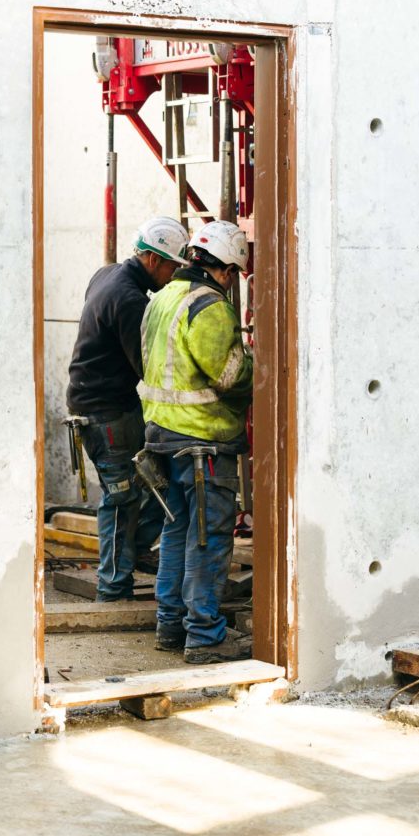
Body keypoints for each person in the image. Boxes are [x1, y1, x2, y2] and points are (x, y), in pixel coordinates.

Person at [140, 220, 254, 663]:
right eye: (234, 275)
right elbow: (227, 376)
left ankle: (170, 627)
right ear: (225, 269)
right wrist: (255, 364)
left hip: (162, 436)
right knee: (208, 537)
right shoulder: (208, 305)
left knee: (177, 531)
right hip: (202, 438)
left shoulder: (163, 297)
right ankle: (204, 636)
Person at [66, 217, 189, 601]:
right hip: (107, 412)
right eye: (172, 266)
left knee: (148, 487)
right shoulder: (130, 300)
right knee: (121, 497)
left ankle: (129, 556)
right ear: (153, 260)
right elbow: (147, 367)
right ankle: (113, 588)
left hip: (98, 401)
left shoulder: (107, 275)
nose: (173, 276)